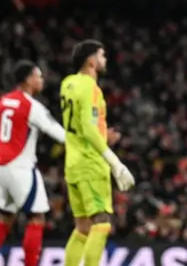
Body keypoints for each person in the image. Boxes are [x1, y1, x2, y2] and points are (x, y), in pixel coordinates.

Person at [60, 40, 135, 266]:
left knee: (82, 228)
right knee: (101, 223)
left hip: (72, 164)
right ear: (91, 61)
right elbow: (88, 128)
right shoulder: (92, 88)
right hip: (91, 164)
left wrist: (103, 134)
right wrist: (115, 162)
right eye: (102, 55)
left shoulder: (68, 83)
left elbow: (78, 124)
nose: (105, 59)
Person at [0, 60, 66, 266]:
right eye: (38, 75)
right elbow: (59, 133)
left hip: (0, 167)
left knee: (5, 218)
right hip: (21, 167)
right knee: (37, 218)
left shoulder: (3, 101)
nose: (41, 79)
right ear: (29, 79)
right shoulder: (32, 106)